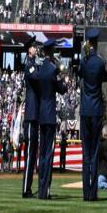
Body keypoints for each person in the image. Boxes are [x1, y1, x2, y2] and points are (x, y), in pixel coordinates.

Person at [26, 38, 66, 200]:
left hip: (41, 115)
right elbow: (62, 89)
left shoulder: (41, 69)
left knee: (42, 154)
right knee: (48, 154)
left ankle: (41, 189)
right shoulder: (52, 69)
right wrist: (62, 77)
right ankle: (45, 190)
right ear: (52, 52)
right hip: (50, 116)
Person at [78, 26, 107, 201]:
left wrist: (85, 57)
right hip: (96, 111)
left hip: (85, 110)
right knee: (95, 152)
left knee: (85, 153)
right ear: (96, 43)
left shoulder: (84, 61)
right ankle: (93, 192)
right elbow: (105, 78)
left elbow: (80, 73)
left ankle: (85, 192)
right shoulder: (99, 62)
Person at [21, 33, 40, 199]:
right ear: (29, 50)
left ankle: (28, 188)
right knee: (29, 154)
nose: (36, 48)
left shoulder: (34, 64)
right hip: (31, 114)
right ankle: (25, 189)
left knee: (33, 154)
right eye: (34, 46)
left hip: (35, 114)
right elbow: (37, 78)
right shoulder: (29, 65)